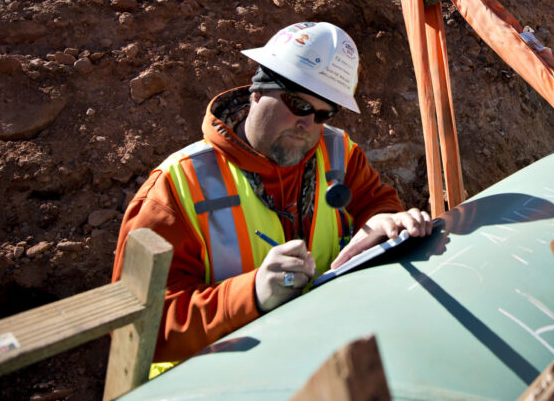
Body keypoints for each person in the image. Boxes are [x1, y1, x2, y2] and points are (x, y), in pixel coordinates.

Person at [111, 22, 432, 371]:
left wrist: (381, 220)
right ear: (256, 92)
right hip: (212, 381)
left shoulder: (339, 154)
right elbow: (137, 328)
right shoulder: (177, 188)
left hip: (314, 357)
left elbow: (376, 202)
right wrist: (251, 295)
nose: (307, 123)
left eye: (323, 113)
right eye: (297, 103)